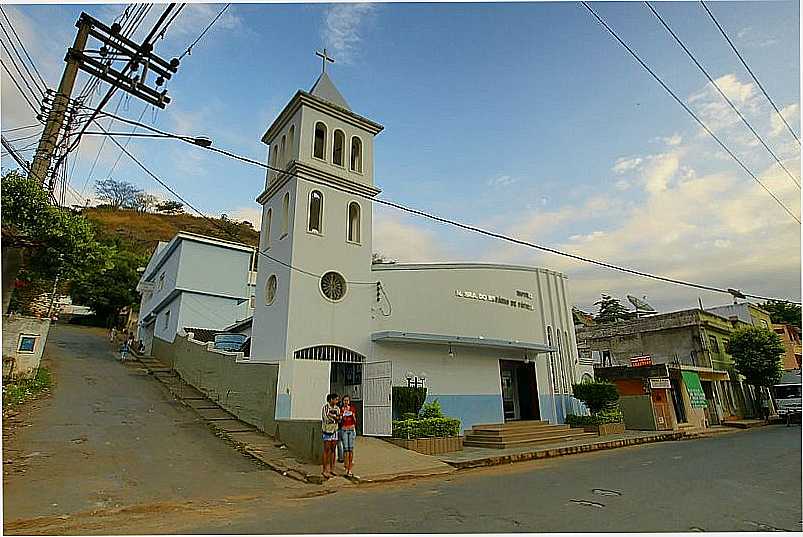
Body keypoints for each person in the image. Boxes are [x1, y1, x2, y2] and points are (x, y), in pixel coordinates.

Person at [321, 393, 340, 479]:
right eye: (335, 399)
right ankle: (325, 469)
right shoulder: (325, 408)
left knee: (333, 449)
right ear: (331, 399)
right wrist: (334, 418)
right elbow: (326, 418)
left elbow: (339, 418)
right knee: (326, 450)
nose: (337, 401)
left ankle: (332, 469)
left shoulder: (337, 408)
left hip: (335, 430)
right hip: (327, 431)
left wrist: (334, 417)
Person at [339, 395, 357, 478]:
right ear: (343, 402)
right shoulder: (340, 409)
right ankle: (346, 465)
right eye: (344, 400)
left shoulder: (352, 409)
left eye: (347, 400)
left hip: (351, 429)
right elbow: (340, 421)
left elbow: (355, 420)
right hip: (344, 429)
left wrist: (352, 415)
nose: (346, 402)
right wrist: (342, 416)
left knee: (351, 448)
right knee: (346, 448)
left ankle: (350, 467)